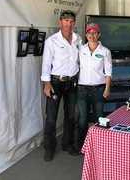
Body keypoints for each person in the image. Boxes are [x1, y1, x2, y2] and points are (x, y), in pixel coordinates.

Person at [41, 10, 82, 161]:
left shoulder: (78, 39)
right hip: (55, 83)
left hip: (72, 82)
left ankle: (67, 144)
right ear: (60, 22)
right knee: (51, 117)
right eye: (66, 21)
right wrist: (46, 84)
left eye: (71, 21)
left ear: (74, 23)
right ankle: (49, 148)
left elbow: (80, 61)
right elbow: (46, 64)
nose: (68, 24)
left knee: (71, 116)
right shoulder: (51, 41)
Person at [77, 23, 112, 149]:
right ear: (86, 35)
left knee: (99, 117)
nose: (91, 35)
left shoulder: (105, 51)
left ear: (99, 34)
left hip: (99, 89)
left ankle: (99, 147)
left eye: (94, 33)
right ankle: (82, 146)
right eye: (89, 33)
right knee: (82, 119)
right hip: (82, 89)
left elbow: (108, 72)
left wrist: (107, 89)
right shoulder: (80, 49)